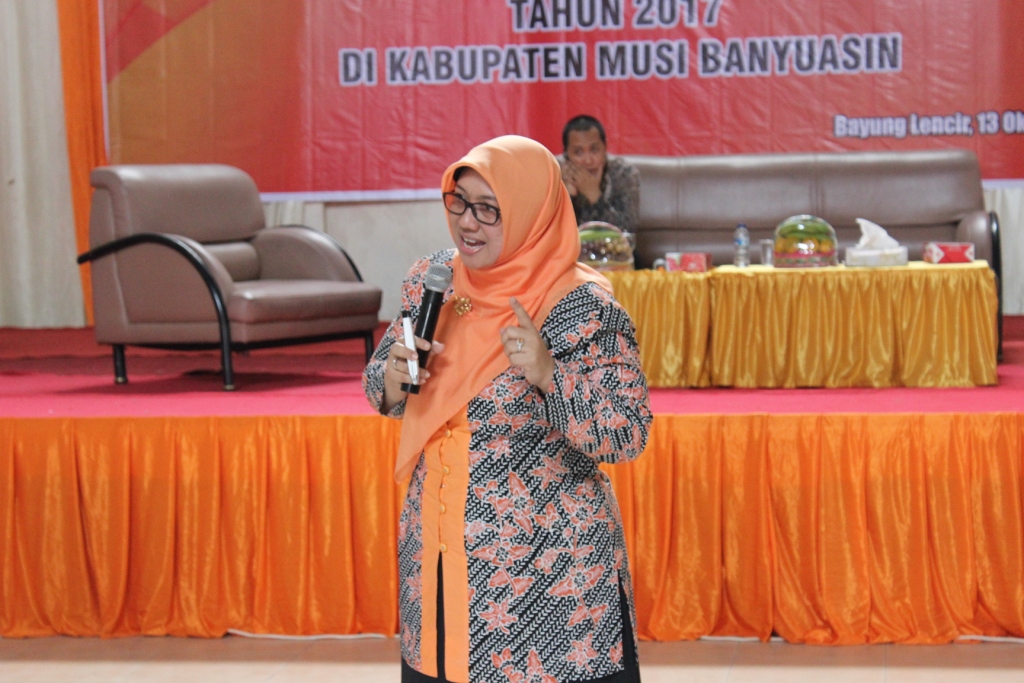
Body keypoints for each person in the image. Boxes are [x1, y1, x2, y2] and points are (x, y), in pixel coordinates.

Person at [362, 135, 652, 683]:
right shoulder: (433, 281)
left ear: (530, 213)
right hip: (440, 555)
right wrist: (393, 381)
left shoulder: (579, 305)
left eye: (489, 209)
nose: (467, 223)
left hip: (548, 576)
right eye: (459, 202)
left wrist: (548, 375)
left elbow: (627, 432)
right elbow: (381, 381)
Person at [559, 115, 640, 232]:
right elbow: (548, 232)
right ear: (566, 153)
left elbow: (627, 230)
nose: (588, 160)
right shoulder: (554, 173)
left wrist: (594, 195)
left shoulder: (624, 173)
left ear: (605, 147)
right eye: (578, 152)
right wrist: (568, 195)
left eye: (594, 150)